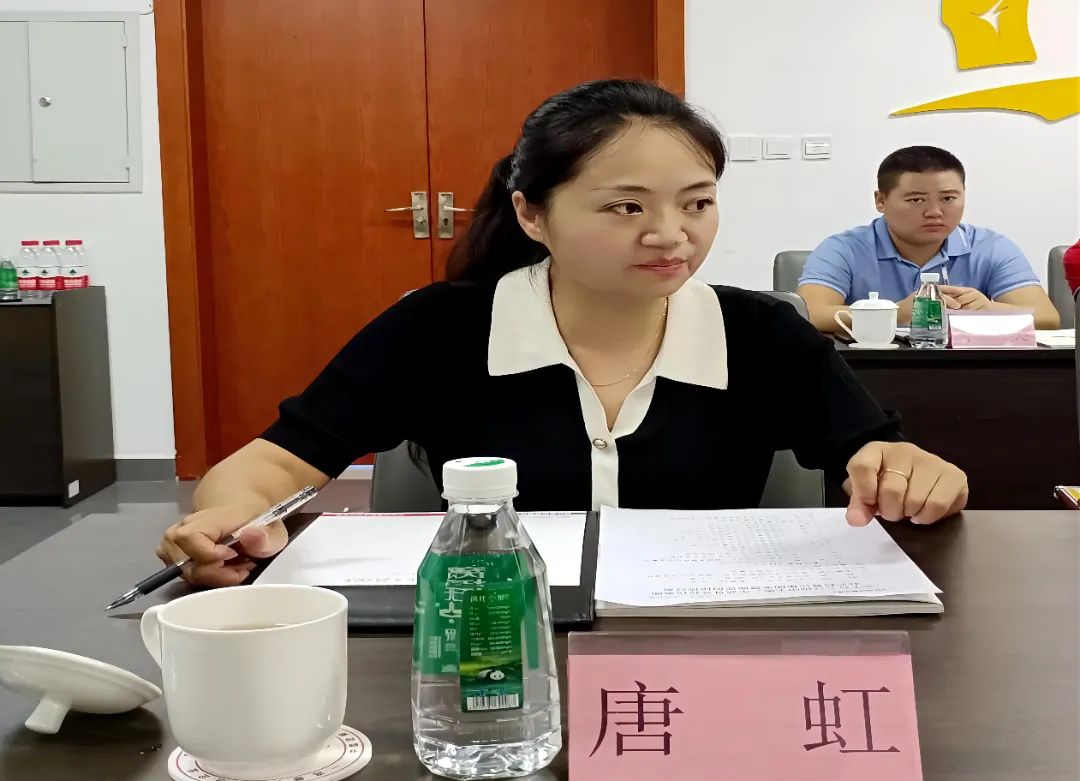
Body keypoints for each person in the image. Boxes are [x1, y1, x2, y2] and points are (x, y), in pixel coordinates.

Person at [157, 80, 969, 588]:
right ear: (531, 213)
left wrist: (912, 471)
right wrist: (224, 521)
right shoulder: (440, 329)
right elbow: (273, 465)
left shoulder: (759, 332)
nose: (671, 235)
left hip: (702, 644)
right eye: (626, 206)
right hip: (483, 642)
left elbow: (881, 455)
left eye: (697, 202)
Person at [798, 146, 1060, 332]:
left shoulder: (991, 247)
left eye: (948, 198)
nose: (934, 212)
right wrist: (893, 313)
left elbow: (1047, 318)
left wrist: (989, 310)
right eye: (916, 200)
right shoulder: (844, 249)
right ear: (881, 200)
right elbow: (808, 314)